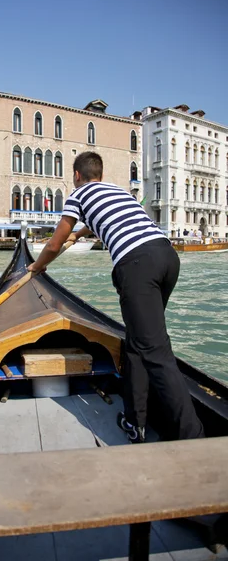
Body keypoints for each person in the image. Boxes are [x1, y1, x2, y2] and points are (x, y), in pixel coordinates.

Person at [27, 151, 204, 443]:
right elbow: (104, 220)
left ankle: (195, 439)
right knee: (137, 345)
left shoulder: (79, 195)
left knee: (155, 353)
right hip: (166, 256)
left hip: (137, 265)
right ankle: (135, 421)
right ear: (100, 174)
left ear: (76, 176)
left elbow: (55, 242)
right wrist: (83, 233)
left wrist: (38, 265)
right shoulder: (117, 192)